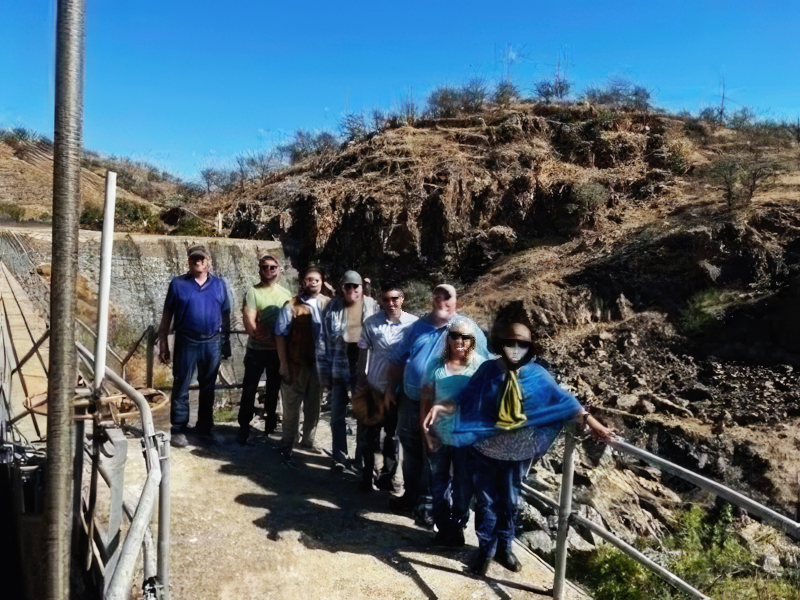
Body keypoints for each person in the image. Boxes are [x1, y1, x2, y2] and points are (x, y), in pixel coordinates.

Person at [448, 319, 613, 576]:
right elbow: (468, 399)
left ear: (530, 347)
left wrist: (594, 424)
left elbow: (565, 402)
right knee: (486, 503)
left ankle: (504, 548)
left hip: (518, 454)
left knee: (510, 503)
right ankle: (485, 551)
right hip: (485, 452)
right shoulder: (488, 370)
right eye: (510, 343)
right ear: (502, 345)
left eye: (521, 344)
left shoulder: (538, 375)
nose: (515, 348)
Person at [387, 284, 488, 524]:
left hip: (446, 406)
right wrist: (390, 388)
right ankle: (411, 497)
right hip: (412, 399)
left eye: (448, 296)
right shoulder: (418, 327)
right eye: (437, 296)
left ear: (456, 300)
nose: (442, 301)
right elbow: (397, 359)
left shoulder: (467, 329)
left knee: (434, 455)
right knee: (411, 449)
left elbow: (485, 368)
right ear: (432, 300)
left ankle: (430, 506)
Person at [420, 316, 485, 546]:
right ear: (447, 339)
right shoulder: (435, 367)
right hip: (439, 435)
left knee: (463, 484)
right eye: (455, 336)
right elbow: (425, 400)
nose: (460, 341)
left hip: (466, 438)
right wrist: (425, 432)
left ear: (472, 341)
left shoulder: (479, 367)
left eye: (465, 337)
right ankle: (443, 527)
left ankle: (458, 526)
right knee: (438, 482)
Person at [158, 245, 231, 448]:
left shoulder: (219, 285)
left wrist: (226, 342)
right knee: (181, 384)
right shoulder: (178, 284)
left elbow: (226, 314)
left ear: (209, 262)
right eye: (194, 260)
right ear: (188, 262)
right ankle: (179, 429)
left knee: (208, 386)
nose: (198, 262)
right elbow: (167, 314)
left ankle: (205, 428)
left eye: (202, 259)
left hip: (212, 341)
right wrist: (163, 341)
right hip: (186, 341)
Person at [353, 282, 418, 491]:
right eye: (386, 299)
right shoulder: (372, 323)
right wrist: (360, 383)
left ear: (402, 299)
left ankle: (388, 477)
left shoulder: (414, 324)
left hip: (400, 391)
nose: (391, 303)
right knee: (369, 434)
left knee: (393, 437)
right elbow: (363, 353)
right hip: (374, 387)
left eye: (395, 299)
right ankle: (367, 474)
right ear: (381, 301)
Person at [318, 270, 379, 471]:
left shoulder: (372, 306)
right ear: (341, 288)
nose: (352, 290)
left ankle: (361, 460)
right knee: (337, 416)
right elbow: (323, 341)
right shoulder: (332, 307)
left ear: (362, 288)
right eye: (348, 286)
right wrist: (324, 372)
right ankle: (339, 457)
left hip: (363, 371)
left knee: (362, 416)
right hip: (338, 368)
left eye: (356, 286)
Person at [274, 266, 330, 464]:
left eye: (316, 279)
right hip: (296, 363)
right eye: (308, 279)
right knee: (291, 407)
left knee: (314, 406)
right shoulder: (290, 305)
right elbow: (280, 335)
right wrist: (283, 364)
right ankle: (288, 443)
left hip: (319, 365)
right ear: (302, 282)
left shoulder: (329, 305)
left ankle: (308, 441)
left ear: (321, 282)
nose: (312, 283)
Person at [236, 253, 292, 445]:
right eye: (264, 267)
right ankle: (244, 427)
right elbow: (249, 323)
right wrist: (262, 333)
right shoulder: (253, 292)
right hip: (257, 350)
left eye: (272, 267)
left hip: (277, 352)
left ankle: (270, 426)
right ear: (259, 269)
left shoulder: (286, 294)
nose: (268, 271)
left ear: (279, 269)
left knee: (274, 389)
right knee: (249, 389)